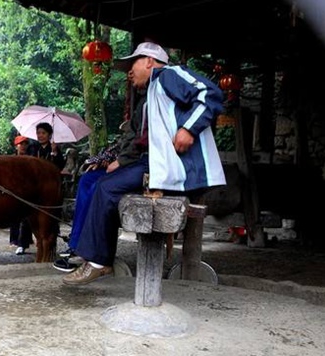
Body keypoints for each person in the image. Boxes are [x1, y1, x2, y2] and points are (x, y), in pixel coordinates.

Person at [62, 42, 226, 285]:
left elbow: (210, 93)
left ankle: (98, 261)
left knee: (106, 188)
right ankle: (92, 255)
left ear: (149, 61)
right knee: (101, 184)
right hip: (157, 166)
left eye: (133, 64)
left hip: (175, 169)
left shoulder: (168, 75)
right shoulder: (152, 92)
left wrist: (188, 130)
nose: (129, 72)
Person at [53, 133, 123, 272]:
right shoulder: (122, 138)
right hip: (115, 163)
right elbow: (111, 151)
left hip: (130, 165)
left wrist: (119, 161)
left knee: (97, 187)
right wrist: (104, 159)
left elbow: (135, 150)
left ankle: (88, 251)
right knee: (87, 179)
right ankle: (76, 243)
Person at [8, 135, 34, 255]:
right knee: (14, 216)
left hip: (28, 191)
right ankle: (14, 239)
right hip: (14, 190)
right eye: (21, 144)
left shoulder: (31, 159)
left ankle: (23, 242)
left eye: (25, 144)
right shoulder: (11, 159)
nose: (23, 146)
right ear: (16, 146)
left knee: (26, 218)